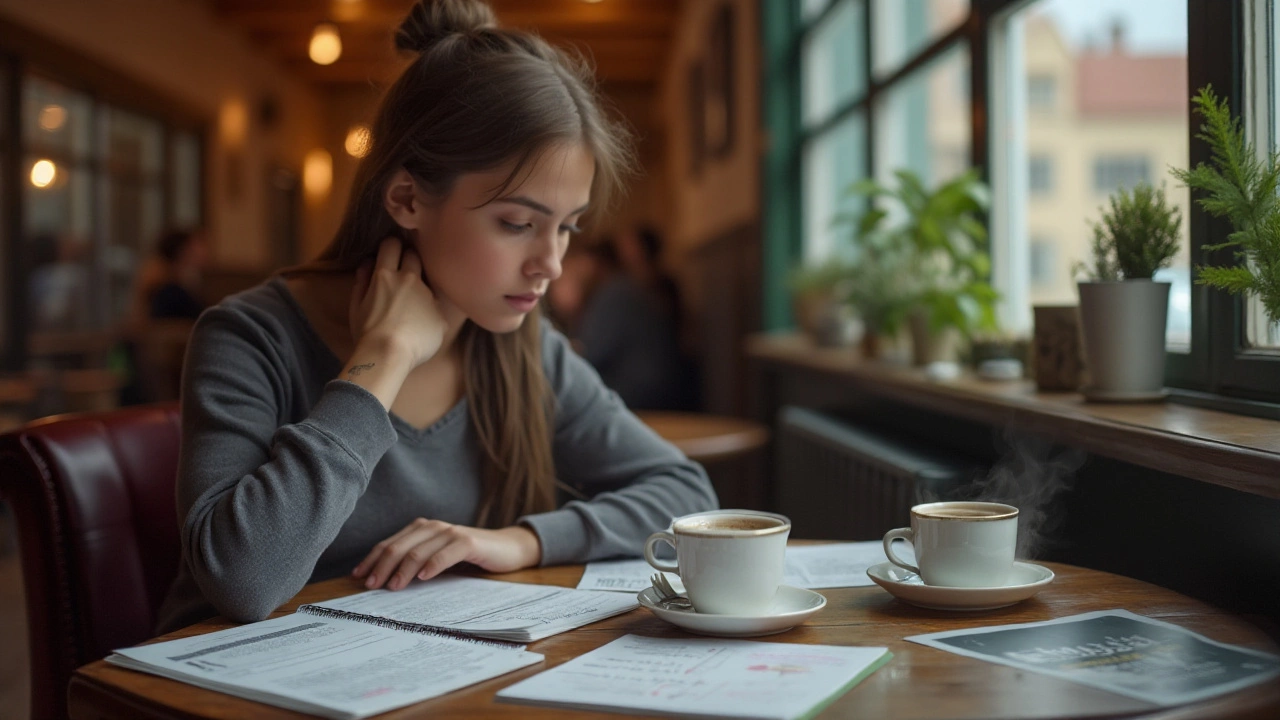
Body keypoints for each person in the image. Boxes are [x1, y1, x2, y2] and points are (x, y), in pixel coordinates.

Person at [156, 0, 718, 633]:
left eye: (567, 228)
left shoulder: (521, 344)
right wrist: (385, 356)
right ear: (407, 198)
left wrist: (520, 541)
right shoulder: (250, 336)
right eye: (517, 224)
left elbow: (685, 495)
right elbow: (243, 580)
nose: (551, 265)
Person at [573, 239, 696, 410]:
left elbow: (593, 352)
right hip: (663, 384)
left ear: (596, 263)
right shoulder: (624, 287)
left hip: (640, 389)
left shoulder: (614, 293)